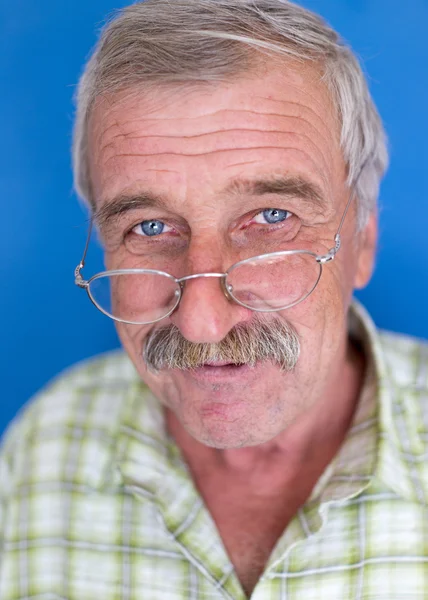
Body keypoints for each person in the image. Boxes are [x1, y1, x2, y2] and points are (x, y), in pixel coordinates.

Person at [1, 0, 427, 598]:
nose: (202, 324)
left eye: (271, 217)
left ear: (362, 239)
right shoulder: (42, 448)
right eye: (149, 227)